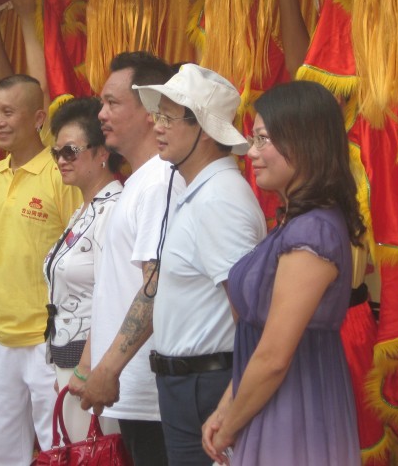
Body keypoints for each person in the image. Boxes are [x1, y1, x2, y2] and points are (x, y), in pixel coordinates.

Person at [202, 81, 364, 465]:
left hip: (296, 414)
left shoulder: (313, 232)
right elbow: (259, 344)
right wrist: (227, 406)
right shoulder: (295, 225)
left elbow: (274, 356)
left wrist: (229, 427)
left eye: (263, 139)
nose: (251, 153)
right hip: (273, 403)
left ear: (305, 142)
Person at [132, 63, 266, 465]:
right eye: (158, 116)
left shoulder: (220, 199)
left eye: (169, 118)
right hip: (190, 385)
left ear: (205, 129)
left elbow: (249, 313)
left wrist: (231, 402)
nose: (157, 126)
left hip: (206, 386)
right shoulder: (203, 191)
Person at [80, 52, 184, 466]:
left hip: (148, 392)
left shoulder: (159, 182)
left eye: (113, 103)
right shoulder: (141, 180)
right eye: (102, 103)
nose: (101, 114)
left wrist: (108, 368)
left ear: (151, 111)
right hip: (129, 387)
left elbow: (155, 287)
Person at [0, 74, 81, 463]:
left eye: (8, 112)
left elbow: (82, 255)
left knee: (58, 446)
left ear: (38, 118)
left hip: (47, 339)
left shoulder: (60, 174)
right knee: (2, 449)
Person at [43, 97, 123, 441]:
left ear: (102, 152)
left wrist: (86, 367)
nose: (61, 160)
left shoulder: (113, 209)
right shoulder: (84, 209)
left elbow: (112, 296)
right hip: (68, 360)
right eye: (56, 153)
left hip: (92, 366)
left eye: (70, 151)